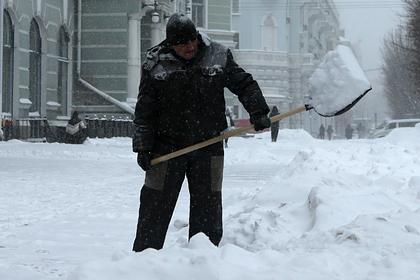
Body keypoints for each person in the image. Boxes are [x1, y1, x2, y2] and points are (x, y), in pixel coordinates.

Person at [132, 13, 271, 252]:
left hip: (209, 143)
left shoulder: (217, 54)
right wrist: (143, 146)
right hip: (166, 146)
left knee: (208, 208)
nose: (189, 46)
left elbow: (244, 84)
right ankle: (144, 261)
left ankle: (204, 261)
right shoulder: (155, 62)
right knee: (154, 206)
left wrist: (258, 111)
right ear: (170, 44)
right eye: (182, 42)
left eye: (192, 40)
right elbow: (145, 109)